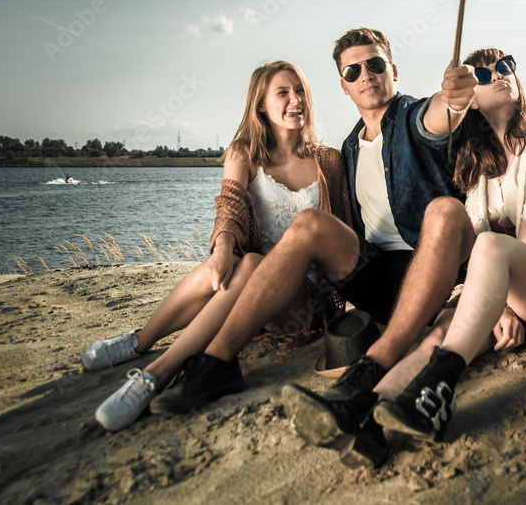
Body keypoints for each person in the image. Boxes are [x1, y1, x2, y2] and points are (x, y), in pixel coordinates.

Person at [150, 27, 477, 468]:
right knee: (308, 225)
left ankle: (375, 368)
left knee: (444, 211)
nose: (367, 75)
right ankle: (216, 364)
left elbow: (439, 115)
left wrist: (454, 97)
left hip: (435, 266)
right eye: (353, 70)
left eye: (376, 64)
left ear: (393, 70)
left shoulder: (414, 117)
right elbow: (307, 217)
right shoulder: (346, 151)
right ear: (343, 86)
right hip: (378, 278)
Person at [82, 61, 351, 431]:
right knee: (236, 264)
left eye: (300, 90)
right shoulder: (243, 152)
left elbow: (345, 230)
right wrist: (222, 247)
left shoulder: (330, 161)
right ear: (261, 105)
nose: (295, 100)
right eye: (283, 93)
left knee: (251, 263)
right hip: (247, 285)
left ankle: (155, 372)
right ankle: (139, 343)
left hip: (301, 300)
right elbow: (231, 206)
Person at [367, 48, 526, 442]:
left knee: (487, 246)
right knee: (439, 334)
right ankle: (372, 414)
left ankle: (439, 388)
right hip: (503, 288)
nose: (498, 75)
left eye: (504, 67)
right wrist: (487, 304)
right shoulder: (476, 164)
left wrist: (502, 305)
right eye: (482, 76)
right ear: (470, 99)